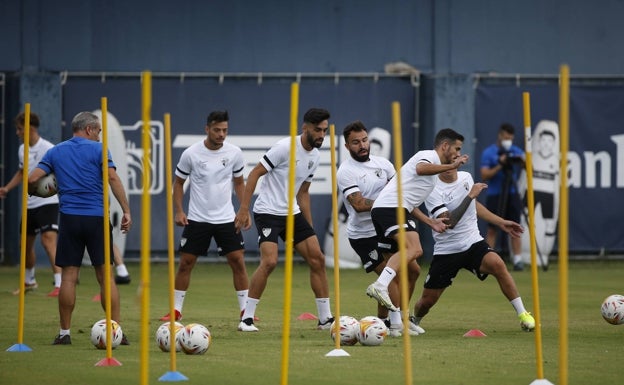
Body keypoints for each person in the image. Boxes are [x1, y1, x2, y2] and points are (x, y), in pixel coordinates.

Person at [27, 111, 132, 345]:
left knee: (68, 278)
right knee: (106, 278)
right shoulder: (99, 149)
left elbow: (32, 178)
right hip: (96, 218)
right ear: (89, 129)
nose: (99, 136)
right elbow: (113, 179)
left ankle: (64, 334)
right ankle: (116, 332)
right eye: (98, 131)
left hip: (70, 219)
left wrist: (38, 190)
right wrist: (126, 210)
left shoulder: (55, 151)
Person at [234, 108, 334, 332]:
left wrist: (308, 227)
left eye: (325, 131)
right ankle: (246, 319)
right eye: (317, 130)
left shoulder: (316, 157)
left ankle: (325, 319)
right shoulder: (284, 148)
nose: (321, 135)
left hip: (293, 213)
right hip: (268, 211)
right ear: (305, 128)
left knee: (317, 258)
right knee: (269, 262)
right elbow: (254, 174)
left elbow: (304, 193)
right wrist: (243, 209)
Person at [411, 167, 535, 331]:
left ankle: (523, 315)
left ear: (458, 159)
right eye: (446, 161)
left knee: (497, 264)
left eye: (454, 158)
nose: (450, 165)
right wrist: (470, 195)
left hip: (472, 242)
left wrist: (500, 222)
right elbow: (449, 222)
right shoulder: (432, 187)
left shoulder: (466, 177)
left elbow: (474, 206)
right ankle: (414, 320)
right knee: (427, 301)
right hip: (447, 251)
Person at [159, 110, 250, 323]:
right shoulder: (191, 153)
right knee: (186, 263)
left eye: (225, 130)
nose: (221, 134)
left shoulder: (235, 152)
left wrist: (244, 209)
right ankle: (176, 310)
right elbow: (179, 184)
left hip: (226, 218)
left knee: (238, 261)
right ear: (207, 129)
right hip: (198, 218)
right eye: (217, 130)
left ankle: (246, 311)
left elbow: (239, 182)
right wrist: (179, 210)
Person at [366, 128, 468, 312]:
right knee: (415, 249)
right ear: (445, 146)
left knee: (412, 270)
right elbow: (421, 168)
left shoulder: (433, 175)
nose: (458, 154)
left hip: (388, 209)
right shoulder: (428, 156)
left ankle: (398, 321)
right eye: (457, 149)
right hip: (391, 208)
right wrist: (452, 166)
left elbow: (410, 203)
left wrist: (431, 222)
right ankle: (380, 285)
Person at [336, 121, 422, 336]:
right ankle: (395, 326)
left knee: (413, 270)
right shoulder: (345, 171)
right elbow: (358, 204)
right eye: (356, 142)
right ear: (347, 146)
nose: (362, 145)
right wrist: (386, 202)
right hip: (363, 235)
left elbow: (401, 196)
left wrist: (429, 220)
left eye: (365, 140)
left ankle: (391, 319)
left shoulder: (384, 164)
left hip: (384, 228)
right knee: (390, 275)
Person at [0, 112, 62, 297]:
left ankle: (59, 284)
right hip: (29, 204)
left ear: (30, 128)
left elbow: (58, 175)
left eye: (20, 129)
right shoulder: (22, 150)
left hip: (48, 202)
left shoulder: (49, 149)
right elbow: (22, 173)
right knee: (25, 245)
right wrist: (7, 188)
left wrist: (50, 189)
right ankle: (29, 281)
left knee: (48, 241)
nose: (18, 133)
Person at [480, 123, 526, 271]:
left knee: (514, 227)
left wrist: (523, 161)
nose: (508, 140)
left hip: (512, 193)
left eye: (511, 138)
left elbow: (529, 168)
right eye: (506, 137)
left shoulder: (516, 150)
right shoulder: (489, 152)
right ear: (500, 135)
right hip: (495, 194)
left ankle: (518, 260)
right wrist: (500, 164)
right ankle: (487, 259)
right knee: (493, 228)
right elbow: (484, 175)